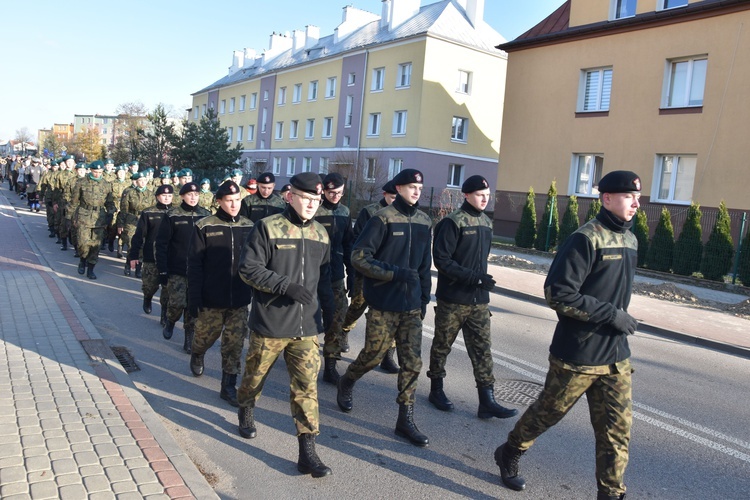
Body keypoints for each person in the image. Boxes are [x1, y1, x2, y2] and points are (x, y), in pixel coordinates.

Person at [494, 171, 641, 500]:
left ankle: (611, 494)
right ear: (606, 199)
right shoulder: (586, 238)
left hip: (616, 356)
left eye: (637, 196)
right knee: (548, 413)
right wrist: (611, 314)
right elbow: (558, 293)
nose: (636, 202)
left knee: (616, 434)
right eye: (628, 196)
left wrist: (619, 318)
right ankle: (510, 451)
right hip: (578, 354)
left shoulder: (630, 240)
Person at [236, 172, 334, 478]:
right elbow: (248, 269)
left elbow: (326, 278)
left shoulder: (321, 233)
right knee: (254, 377)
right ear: (290, 196)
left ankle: (307, 452)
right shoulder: (267, 227)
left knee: (307, 388)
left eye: (316, 200)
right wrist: (285, 286)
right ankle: (246, 407)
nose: (311, 205)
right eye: (305, 198)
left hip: (306, 327)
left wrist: (330, 314)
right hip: (271, 322)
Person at [337, 168, 432, 447]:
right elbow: (359, 257)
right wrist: (394, 273)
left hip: (412, 305)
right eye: (412, 186)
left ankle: (405, 418)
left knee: (412, 362)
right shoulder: (383, 218)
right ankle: (347, 381)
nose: (417, 191)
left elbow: (425, 266)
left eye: (420, 187)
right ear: (399, 188)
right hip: (383, 302)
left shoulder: (425, 221)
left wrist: (424, 298)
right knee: (373, 356)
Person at [427, 175, 518, 419]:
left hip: (478, 300)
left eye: (487, 195)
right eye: (480, 195)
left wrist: (479, 282)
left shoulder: (487, 223)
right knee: (442, 346)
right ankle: (436, 390)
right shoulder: (452, 223)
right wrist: (473, 278)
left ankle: (487, 400)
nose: (484, 199)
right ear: (466, 195)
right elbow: (442, 261)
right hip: (453, 299)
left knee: (482, 350)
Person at [188, 181, 254, 407]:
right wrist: (194, 297)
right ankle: (197, 353)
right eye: (229, 201)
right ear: (219, 201)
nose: (234, 205)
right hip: (211, 298)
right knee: (204, 338)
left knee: (234, 344)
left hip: (240, 299)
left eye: (237, 200)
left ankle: (228, 386)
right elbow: (195, 264)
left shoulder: (249, 226)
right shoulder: (204, 226)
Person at [339, 180, 399, 373]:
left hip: (391, 274)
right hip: (367, 272)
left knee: (392, 315)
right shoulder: (370, 212)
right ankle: (344, 331)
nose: (395, 201)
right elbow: (359, 242)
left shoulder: (403, 215)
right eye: (392, 197)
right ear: (385, 195)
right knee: (357, 305)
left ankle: (388, 355)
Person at [156, 182, 211, 352]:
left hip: (198, 271)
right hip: (177, 269)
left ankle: (189, 338)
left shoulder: (206, 215)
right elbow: (162, 243)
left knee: (193, 307)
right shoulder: (173, 215)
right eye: (189, 194)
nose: (193, 197)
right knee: (177, 303)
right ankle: (171, 321)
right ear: (182, 196)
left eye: (196, 194)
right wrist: (162, 269)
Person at [314, 173, 354, 384]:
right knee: (309, 319)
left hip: (336, 275)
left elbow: (349, 245)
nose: (336, 196)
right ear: (324, 192)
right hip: (312, 275)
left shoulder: (344, 212)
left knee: (337, 320)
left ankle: (330, 365)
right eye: (332, 193)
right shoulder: (314, 210)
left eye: (339, 192)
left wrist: (352, 275)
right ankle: (302, 358)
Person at [128, 184, 174, 325]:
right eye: (163, 196)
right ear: (157, 197)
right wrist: (133, 255)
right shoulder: (148, 213)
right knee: (150, 286)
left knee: (167, 289)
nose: (166, 198)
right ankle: (147, 298)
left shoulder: (176, 213)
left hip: (169, 257)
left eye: (169, 196)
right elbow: (139, 235)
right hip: (150, 257)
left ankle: (164, 314)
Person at [69, 161, 116, 279]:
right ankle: (82, 260)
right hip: (83, 215)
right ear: (91, 170)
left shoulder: (106, 184)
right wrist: (69, 217)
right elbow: (74, 202)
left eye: (100, 172)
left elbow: (110, 202)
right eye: (95, 172)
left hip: (99, 218)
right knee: (82, 244)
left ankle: (90, 269)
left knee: (96, 245)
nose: (97, 174)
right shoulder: (81, 182)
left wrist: (110, 213)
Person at [117, 172, 152, 276]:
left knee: (143, 245)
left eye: (144, 180)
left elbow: (154, 210)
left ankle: (138, 268)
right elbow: (124, 210)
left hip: (145, 221)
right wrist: (120, 224)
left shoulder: (150, 195)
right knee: (132, 245)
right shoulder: (130, 193)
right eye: (140, 180)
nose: (142, 182)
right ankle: (128, 265)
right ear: (136, 182)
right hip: (131, 221)